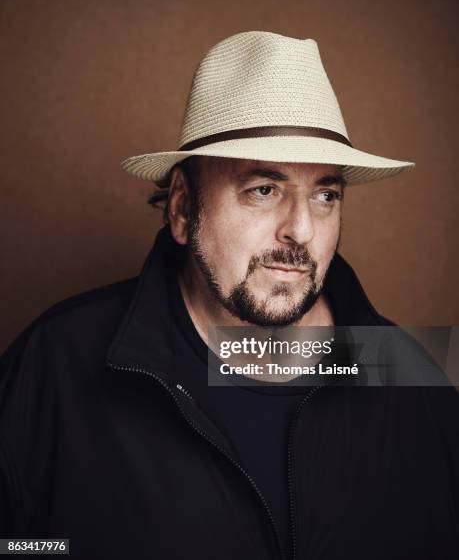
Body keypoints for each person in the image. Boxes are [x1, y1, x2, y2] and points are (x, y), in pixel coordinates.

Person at [0, 31, 458, 560]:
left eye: (325, 194)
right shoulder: (59, 362)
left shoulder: (411, 379)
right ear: (181, 208)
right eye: (263, 190)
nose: (302, 231)